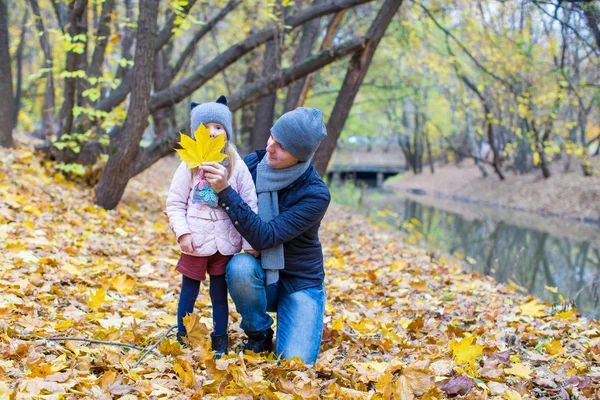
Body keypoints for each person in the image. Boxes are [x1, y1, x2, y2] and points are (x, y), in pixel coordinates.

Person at [201, 107, 331, 365]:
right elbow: (209, 201)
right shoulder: (249, 165)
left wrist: (226, 191)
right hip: (259, 276)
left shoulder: (315, 194)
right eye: (272, 137)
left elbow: (264, 237)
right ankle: (258, 332)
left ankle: (300, 315)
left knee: (296, 364)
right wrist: (183, 219)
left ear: (300, 156)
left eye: (282, 146)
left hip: (300, 282)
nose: (270, 147)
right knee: (239, 266)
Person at [166, 96, 258, 358]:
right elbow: (175, 203)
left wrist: (250, 244)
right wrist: (182, 232)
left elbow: (250, 203)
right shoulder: (189, 165)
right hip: (195, 241)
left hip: (225, 242)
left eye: (218, 126)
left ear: (227, 131)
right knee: (189, 292)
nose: (213, 131)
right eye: (206, 127)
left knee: (220, 294)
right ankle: (182, 336)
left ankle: (220, 339)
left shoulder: (237, 165)